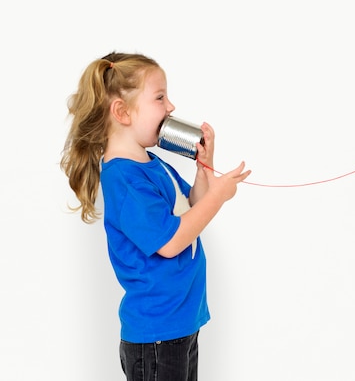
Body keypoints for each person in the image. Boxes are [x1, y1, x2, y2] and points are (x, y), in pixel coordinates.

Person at [60, 52, 251, 381]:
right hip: (156, 336)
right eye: (160, 98)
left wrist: (205, 167)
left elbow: (190, 207)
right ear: (122, 112)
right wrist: (219, 195)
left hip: (181, 323)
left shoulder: (152, 163)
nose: (171, 107)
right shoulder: (126, 180)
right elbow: (172, 241)